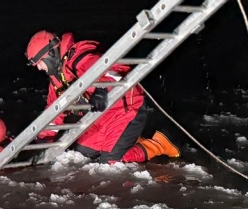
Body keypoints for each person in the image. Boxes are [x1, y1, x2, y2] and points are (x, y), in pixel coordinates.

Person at [24, 30, 179, 162]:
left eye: (39, 62)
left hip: (123, 109)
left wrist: (102, 88)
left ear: (50, 54)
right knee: (81, 154)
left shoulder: (79, 58)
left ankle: (159, 144)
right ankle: (128, 140)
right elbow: (54, 112)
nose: (38, 68)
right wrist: (42, 141)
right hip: (99, 118)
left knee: (112, 161)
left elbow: (119, 67)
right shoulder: (57, 80)